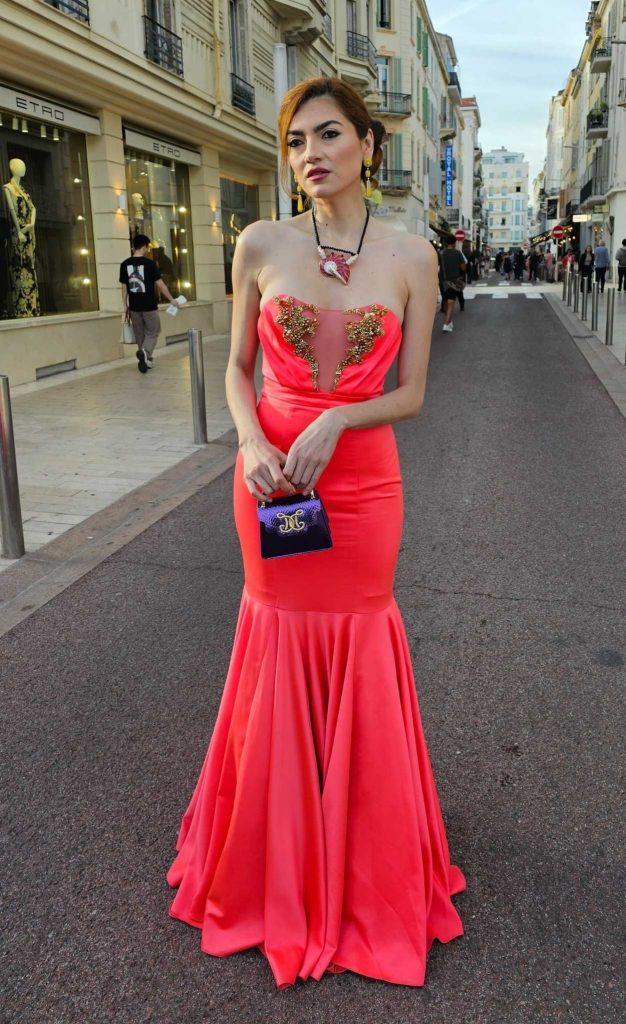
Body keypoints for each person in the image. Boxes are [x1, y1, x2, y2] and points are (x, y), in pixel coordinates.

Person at [165, 75, 466, 990]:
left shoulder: (412, 257)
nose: (310, 155)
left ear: (368, 147)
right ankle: (272, 860)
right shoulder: (261, 242)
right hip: (274, 486)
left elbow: (410, 391)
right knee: (279, 637)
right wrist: (255, 435)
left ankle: (364, 866)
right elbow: (235, 368)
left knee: (362, 633)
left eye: (329, 136)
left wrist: (343, 419)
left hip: (365, 487)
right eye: (297, 142)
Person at [119, 234, 178, 373]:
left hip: (134, 306)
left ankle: (146, 360)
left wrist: (125, 306)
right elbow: (160, 284)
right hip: (149, 306)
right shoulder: (150, 264)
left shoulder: (125, 264)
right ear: (144, 246)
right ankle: (145, 353)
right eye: (148, 247)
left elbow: (124, 287)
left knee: (140, 334)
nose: (149, 250)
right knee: (153, 331)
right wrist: (171, 299)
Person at [439, 234, 467, 332]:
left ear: (446, 243)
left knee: (446, 302)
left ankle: (449, 321)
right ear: (454, 243)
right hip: (453, 281)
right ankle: (446, 324)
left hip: (442, 281)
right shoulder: (457, 253)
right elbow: (463, 267)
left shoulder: (440, 253)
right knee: (451, 303)